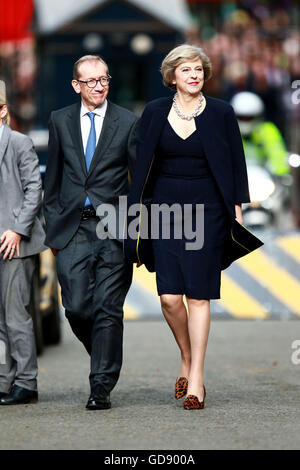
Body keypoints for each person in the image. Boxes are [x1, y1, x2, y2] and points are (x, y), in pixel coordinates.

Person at [124, 44, 252, 410]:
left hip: (209, 211)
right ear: (172, 77)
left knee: (198, 295)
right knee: (169, 298)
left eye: (198, 69)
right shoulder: (154, 112)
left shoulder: (222, 113)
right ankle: (186, 355)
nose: (194, 75)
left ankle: (196, 378)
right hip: (163, 211)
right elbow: (139, 160)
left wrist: (236, 209)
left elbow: (236, 163)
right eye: (186, 70)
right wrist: (136, 211)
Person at [43, 55, 138, 410]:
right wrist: (53, 228)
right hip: (72, 228)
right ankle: (104, 351)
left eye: (104, 79)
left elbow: (137, 181)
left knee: (108, 308)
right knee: (78, 307)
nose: (99, 86)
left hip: (114, 228)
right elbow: (51, 178)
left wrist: (135, 231)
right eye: (91, 81)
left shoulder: (127, 122)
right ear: (76, 85)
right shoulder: (60, 120)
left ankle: (101, 385)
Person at [0, 80, 46, 405]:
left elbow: (35, 189)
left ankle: (26, 383)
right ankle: (4, 380)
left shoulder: (18, 142)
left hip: (15, 242)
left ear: (3, 110)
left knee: (16, 315)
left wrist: (17, 230)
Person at [230, 91, 289, 177]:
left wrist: (281, 172)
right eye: (241, 117)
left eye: (249, 118)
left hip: (263, 179)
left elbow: (278, 154)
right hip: (235, 179)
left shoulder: (268, 130)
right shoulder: (228, 131)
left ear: (258, 116)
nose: (245, 121)